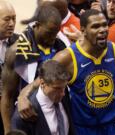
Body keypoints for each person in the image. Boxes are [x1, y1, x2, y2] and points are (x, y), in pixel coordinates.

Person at [18, 9, 115, 135]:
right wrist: (22, 97)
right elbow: (39, 82)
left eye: (104, 24)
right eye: (96, 26)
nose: (102, 29)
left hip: (112, 127)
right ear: (83, 31)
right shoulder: (67, 58)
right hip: (82, 128)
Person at [1, 5, 66, 134]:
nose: (53, 38)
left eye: (55, 33)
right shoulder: (16, 52)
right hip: (30, 116)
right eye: (49, 33)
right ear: (37, 25)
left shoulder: (61, 45)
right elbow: (7, 96)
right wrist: (8, 131)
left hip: (59, 112)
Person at [11, 60, 75, 135]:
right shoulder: (23, 115)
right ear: (42, 83)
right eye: (57, 88)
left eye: (64, 87)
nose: (62, 93)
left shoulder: (63, 94)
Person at [0, 1, 19, 135]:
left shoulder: (21, 42)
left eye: (14, 18)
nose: (12, 23)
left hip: (13, 108)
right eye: (7, 19)